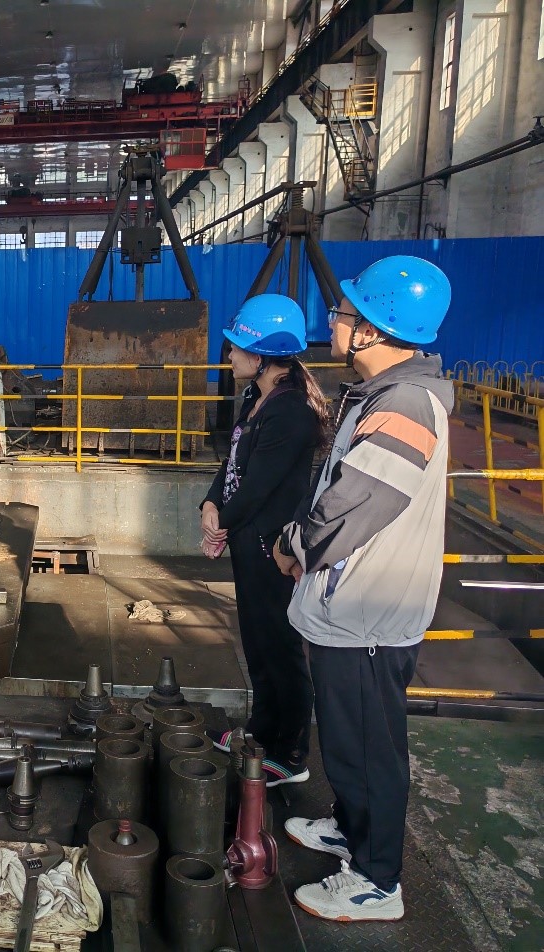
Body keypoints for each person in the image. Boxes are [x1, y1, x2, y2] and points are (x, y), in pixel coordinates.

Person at [275, 255, 454, 922]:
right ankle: (351, 828)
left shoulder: (403, 404)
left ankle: (377, 881)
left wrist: (292, 546)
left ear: (373, 330)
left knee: (368, 751)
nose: (333, 321)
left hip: (368, 612)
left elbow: (353, 507)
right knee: (348, 740)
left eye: (343, 313)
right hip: (352, 605)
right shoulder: (382, 395)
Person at [200, 294, 326, 788]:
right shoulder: (258, 398)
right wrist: (210, 504)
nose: (229, 355)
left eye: (235, 347)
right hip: (247, 540)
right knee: (257, 640)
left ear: (261, 354)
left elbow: (258, 487)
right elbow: (233, 462)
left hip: (272, 548)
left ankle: (290, 753)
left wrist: (222, 521)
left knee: (280, 646)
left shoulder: (290, 412)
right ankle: (261, 732)